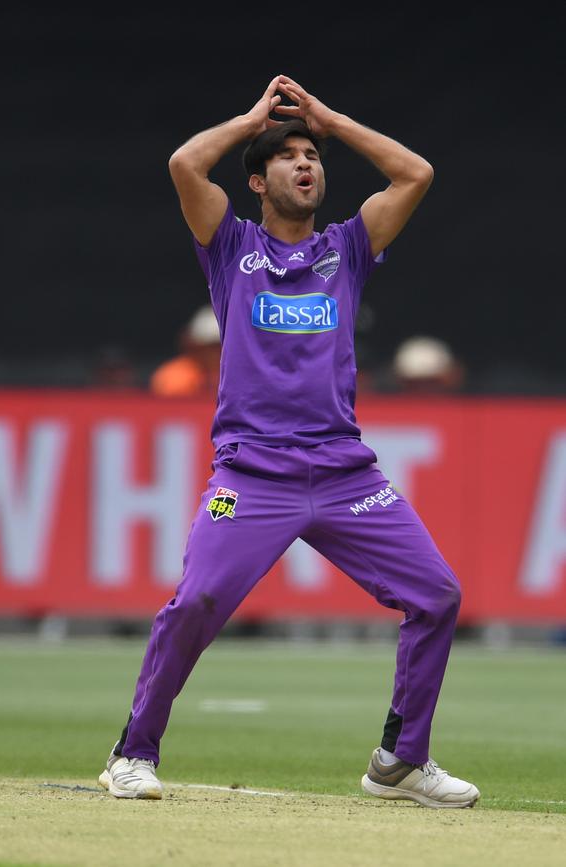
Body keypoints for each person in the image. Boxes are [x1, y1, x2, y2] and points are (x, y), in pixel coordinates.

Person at [98, 75, 480, 809]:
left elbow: (416, 174)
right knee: (199, 598)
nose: (307, 164)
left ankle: (400, 760)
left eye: (313, 155)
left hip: (345, 474)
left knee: (437, 596)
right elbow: (184, 165)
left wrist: (333, 120)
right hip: (253, 475)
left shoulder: (349, 248)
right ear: (257, 180)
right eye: (289, 157)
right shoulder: (230, 245)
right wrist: (249, 122)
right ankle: (132, 752)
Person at [149, 304, 221, 398]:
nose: (217, 353)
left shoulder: (241, 374)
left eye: (221, 347)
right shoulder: (174, 376)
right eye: (212, 347)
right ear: (194, 346)